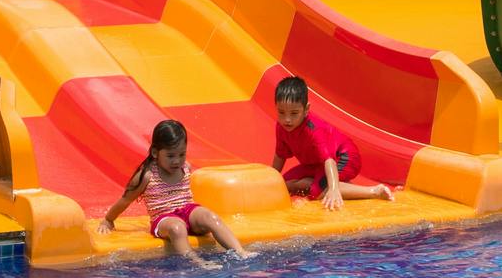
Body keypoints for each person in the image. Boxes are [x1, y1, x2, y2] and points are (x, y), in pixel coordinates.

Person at [101, 118, 250, 258]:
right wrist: (108, 220)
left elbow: (189, 202)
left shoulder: (185, 167)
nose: (177, 161)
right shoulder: (147, 176)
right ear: (155, 153)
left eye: (182, 154)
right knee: (177, 228)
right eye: (171, 156)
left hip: (187, 211)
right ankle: (196, 263)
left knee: (210, 217)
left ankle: (240, 252)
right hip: (163, 219)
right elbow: (125, 200)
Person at [272, 74, 395, 211]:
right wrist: (270, 180)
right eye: (281, 112)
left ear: (306, 110)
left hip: (344, 158)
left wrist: (334, 188)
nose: (287, 119)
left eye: (294, 113)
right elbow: (280, 155)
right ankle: (319, 183)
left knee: (318, 192)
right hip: (317, 164)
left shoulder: (313, 130)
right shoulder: (281, 127)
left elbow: (329, 161)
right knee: (283, 184)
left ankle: (373, 191)